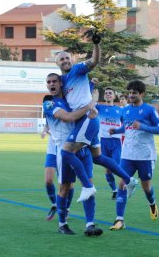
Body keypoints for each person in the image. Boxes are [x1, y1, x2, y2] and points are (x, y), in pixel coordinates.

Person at [56, 32, 138, 203]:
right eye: (61, 59)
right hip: (86, 120)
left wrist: (96, 45)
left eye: (67, 58)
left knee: (66, 152)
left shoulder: (78, 69)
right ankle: (129, 180)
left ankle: (87, 186)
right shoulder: (62, 82)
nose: (65, 61)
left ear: (71, 60)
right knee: (97, 157)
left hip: (87, 118)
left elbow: (94, 61)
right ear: (57, 63)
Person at [43, 73, 103, 236]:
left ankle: (90, 224)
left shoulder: (71, 99)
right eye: (48, 82)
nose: (51, 84)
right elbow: (69, 117)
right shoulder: (48, 103)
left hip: (81, 146)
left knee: (88, 185)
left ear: (61, 83)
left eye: (54, 81)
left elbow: (84, 93)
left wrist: (92, 84)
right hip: (65, 150)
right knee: (65, 187)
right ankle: (62, 224)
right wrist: (92, 104)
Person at [108, 80, 159, 230]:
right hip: (128, 154)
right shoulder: (125, 110)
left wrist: (143, 126)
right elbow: (126, 127)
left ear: (142, 94)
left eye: (134, 93)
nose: (131, 95)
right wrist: (116, 131)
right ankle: (119, 220)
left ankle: (152, 204)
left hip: (145, 155)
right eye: (130, 93)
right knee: (122, 184)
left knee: (146, 187)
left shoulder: (149, 110)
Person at [40, 122, 74, 221]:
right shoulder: (51, 108)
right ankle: (55, 204)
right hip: (52, 149)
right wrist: (44, 130)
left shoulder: (68, 110)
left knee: (68, 183)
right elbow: (48, 124)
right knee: (48, 180)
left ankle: (66, 208)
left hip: (65, 148)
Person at [96, 87, 123, 200]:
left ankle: (125, 185)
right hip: (103, 141)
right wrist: (95, 95)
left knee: (115, 166)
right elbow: (91, 104)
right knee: (107, 169)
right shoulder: (100, 108)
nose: (107, 95)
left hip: (116, 141)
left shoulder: (120, 110)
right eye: (106, 93)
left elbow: (126, 124)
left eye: (110, 93)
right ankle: (114, 190)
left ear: (114, 96)